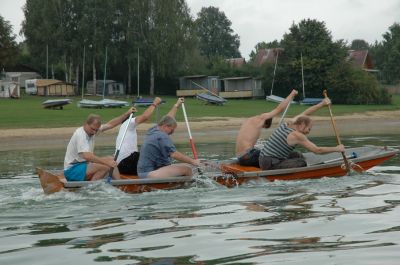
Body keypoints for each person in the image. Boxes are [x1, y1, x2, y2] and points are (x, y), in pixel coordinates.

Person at [258, 100, 345, 170]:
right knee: (301, 163)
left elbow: (306, 112)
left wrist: (322, 104)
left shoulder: (289, 122)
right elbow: (317, 150)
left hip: (263, 159)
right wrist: (337, 148)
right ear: (302, 124)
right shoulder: (297, 135)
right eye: (309, 129)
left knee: (297, 155)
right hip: (269, 164)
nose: (308, 132)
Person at [63, 107, 135, 181]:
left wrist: (127, 114)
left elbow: (111, 124)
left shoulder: (93, 129)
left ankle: (119, 184)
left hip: (83, 165)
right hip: (72, 170)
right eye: (92, 129)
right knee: (105, 167)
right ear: (85, 124)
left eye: (96, 130)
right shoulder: (80, 134)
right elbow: (87, 156)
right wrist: (107, 162)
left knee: (111, 159)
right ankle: (91, 188)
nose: (94, 132)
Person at [137, 98, 201, 179]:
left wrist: (177, 105)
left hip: (144, 172)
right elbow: (174, 154)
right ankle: (192, 188)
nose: (172, 132)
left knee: (187, 165)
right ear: (165, 126)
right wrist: (193, 161)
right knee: (187, 169)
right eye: (172, 129)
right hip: (151, 173)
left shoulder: (153, 129)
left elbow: (168, 117)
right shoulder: (162, 136)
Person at [235, 89, 298, 166]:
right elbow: (279, 109)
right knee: (275, 155)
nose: (262, 128)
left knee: (265, 151)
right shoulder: (262, 118)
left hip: (240, 158)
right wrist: (292, 94)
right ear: (265, 122)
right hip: (248, 157)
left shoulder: (249, 120)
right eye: (264, 127)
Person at [115, 97, 162, 175]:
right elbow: (145, 117)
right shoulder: (129, 122)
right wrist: (155, 103)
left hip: (123, 164)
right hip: (126, 164)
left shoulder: (124, 127)